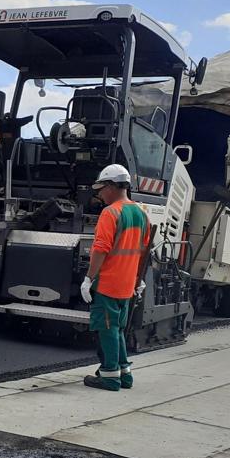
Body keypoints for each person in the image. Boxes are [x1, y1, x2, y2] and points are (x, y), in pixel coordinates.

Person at [79, 164, 149, 391]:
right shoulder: (140, 213)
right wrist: (139, 279)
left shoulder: (110, 213)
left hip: (109, 282)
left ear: (111, 186)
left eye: (101, 189)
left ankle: (109, 376)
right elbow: (143, 250)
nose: (99, 194)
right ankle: (124, 374)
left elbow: (100, 249)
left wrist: (89, 279)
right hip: (127, 284)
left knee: (107, 329)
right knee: (118, 328)